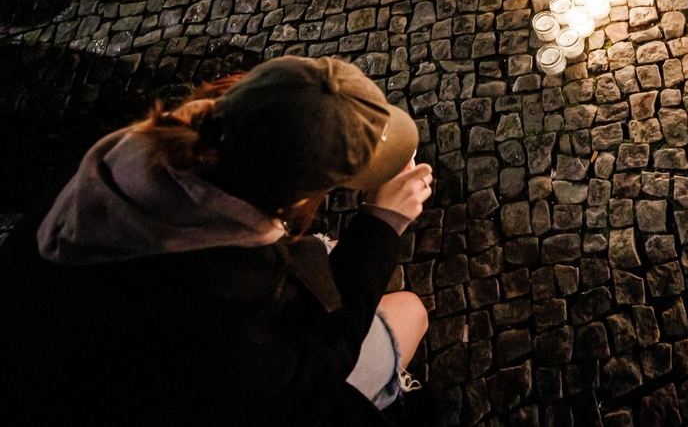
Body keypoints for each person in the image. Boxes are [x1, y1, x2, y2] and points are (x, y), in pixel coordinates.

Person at [0, 56, 436, 426]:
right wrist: (382, 222)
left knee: (331, 257)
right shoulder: (232, 336)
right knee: (409, 312)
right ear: (297, 198)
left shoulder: (119, 169)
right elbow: (323, 363)